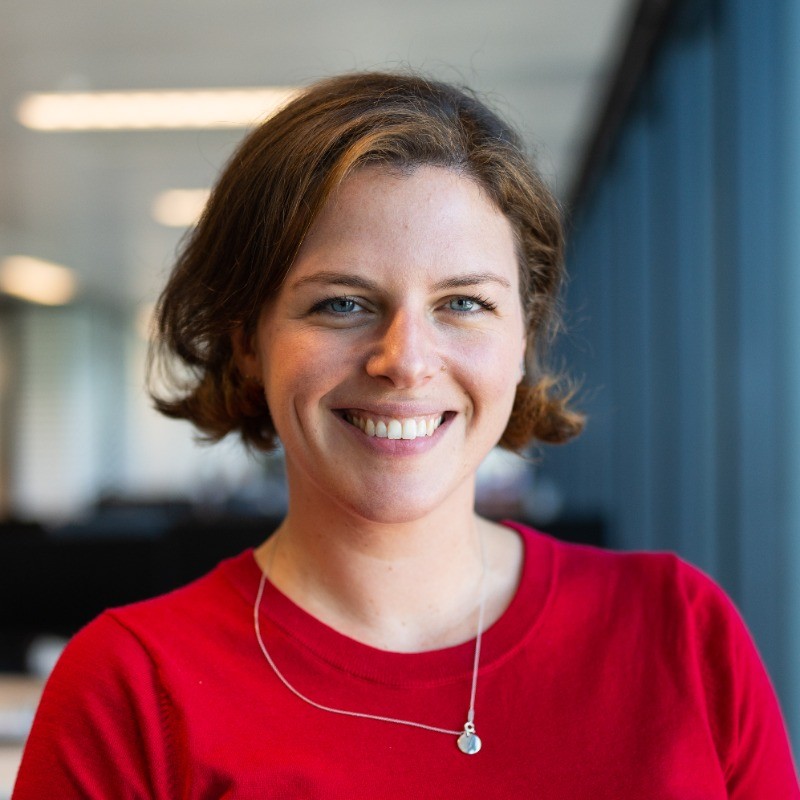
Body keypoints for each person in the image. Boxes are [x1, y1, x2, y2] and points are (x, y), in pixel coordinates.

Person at [13, 71, 799, 798]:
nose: (406, 361)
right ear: (247, 339)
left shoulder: (682, 636)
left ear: (524, 336)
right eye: (342, 304)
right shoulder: (131, 692)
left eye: (463, 303)